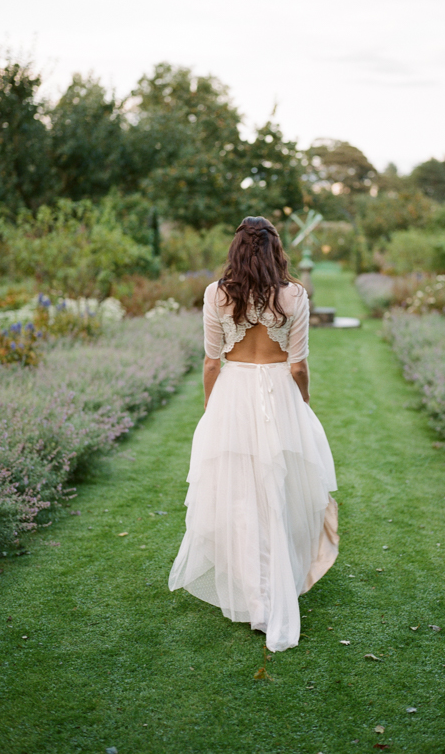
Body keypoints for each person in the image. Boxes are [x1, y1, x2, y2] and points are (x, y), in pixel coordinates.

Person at [168, 216, 338, 652]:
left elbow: (210, 362)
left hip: (234, 393)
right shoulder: (295, 294)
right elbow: (298, 365)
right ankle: (272, 592)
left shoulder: (216, 293)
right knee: (278, 490)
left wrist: (212, 406)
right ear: (276, 250)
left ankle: (256, 598)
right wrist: (302, 401)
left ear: (237, 249)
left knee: (241, 495)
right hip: (279, 390)